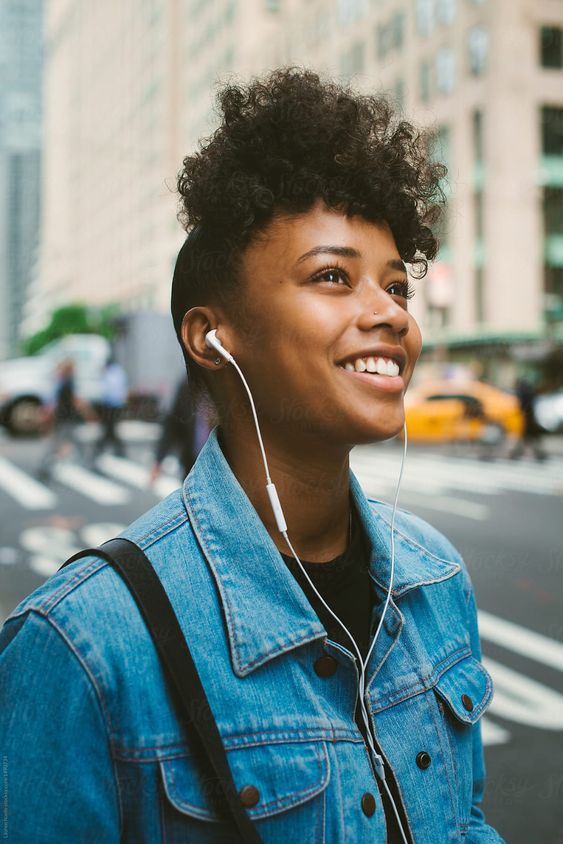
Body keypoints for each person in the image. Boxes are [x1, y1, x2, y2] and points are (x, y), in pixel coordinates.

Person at [0, 69, 504, 842]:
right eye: (332, 276)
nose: (388, 314)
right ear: (211, 336)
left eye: (396, 287)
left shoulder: (435, 578)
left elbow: (464, 822)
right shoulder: (84, 643)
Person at [149, 375, 217, 483]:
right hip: (191, 463)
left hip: (221, 465)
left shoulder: (230, 384)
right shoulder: (187, 384)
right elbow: (172, 424)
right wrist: (159, 460)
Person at [37, 358, 93, 480]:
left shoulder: (62, 382)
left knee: (75, 442)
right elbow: (74, 400)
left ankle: (87, 463)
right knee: (59, 444)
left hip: (65, 418)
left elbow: (55, 402)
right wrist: (87, 412)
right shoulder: (67, 382)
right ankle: (44, 467)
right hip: (66, 419)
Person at [93, 356, 128, 458]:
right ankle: (118, 451)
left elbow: (106, 390)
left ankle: (99, 450)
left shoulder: (108, 373)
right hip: (118, 405)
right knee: (110, 429)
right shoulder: (120, 372)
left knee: (109, 429)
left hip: (109, 405)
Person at [509, 376, 547, 462]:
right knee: (530, 438)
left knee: (527, 437)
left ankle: (517, 453)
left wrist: (522, 412)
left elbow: (522, 405)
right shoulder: (529, 391)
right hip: (530, 418)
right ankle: (519, 453)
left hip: (527, 418)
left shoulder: (522, 392)